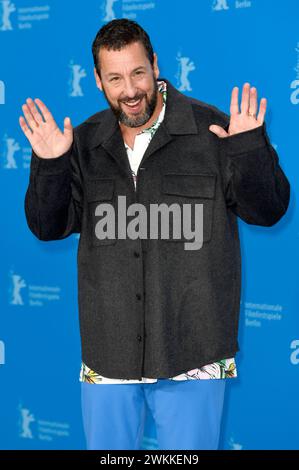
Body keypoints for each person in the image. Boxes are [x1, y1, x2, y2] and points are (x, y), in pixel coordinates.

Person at [20, 19, 290, 450]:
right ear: (98, 81)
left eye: (138, 73)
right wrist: (51, 163)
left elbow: (268, 211)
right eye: (115, 78)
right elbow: (48, 227)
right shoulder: (84, 142)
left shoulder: (213, 129)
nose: (130, 90)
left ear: (155, 65)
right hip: (108, 353)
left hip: (194, 351)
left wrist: (251, 148)